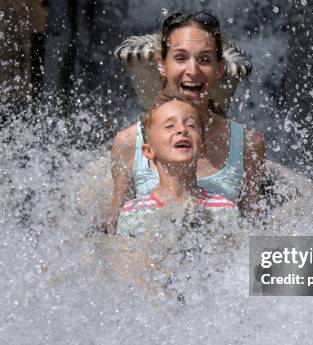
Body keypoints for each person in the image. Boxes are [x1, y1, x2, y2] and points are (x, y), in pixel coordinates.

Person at [109, 11, 265, 234]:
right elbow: (115, 233)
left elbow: (253, 231)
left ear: (220, 67)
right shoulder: (128, 142)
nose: (193, 71)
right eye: (181, 58)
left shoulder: (249, 144)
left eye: (204, 59)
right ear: (162, 64)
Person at [117, 94, 238, 237]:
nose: (182, 130)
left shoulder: (225, 208)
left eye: (191, 125)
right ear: (148, 151)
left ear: (203, 149)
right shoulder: (133, 212)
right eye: (170, 126)